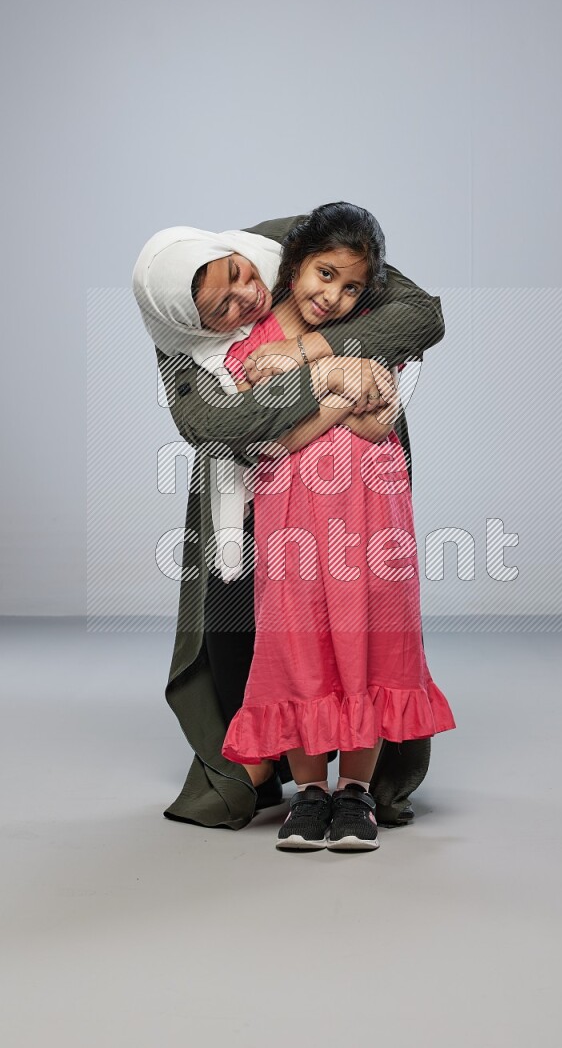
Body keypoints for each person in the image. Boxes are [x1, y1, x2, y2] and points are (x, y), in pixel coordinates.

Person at [132, 207, 445, 830]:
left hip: (359, 497)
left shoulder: (287, 247)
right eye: (219, 308)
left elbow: (421, 316)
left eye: (239, 276)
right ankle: (262, 770)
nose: (247, 296)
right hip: (255, 497)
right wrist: (331, 380)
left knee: (365, 628)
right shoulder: (181, 348)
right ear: (187, 321)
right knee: (260, 635)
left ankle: (361, 781)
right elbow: (218, 427)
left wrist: (310, 350)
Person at [220, 204, 456, 851]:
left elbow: (380, 420)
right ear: (295, 267)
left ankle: (355, 793)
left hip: (372, 512)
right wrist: (337, 396)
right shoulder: (254, 342)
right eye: (325, 275)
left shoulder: (367, 331)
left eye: (351, 286)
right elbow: (271, 438)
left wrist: (313, 392)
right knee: (299, 639)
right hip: (291, 514)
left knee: (368, 637)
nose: (335, 295)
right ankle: (310, 792)